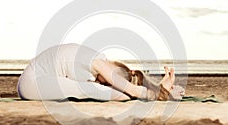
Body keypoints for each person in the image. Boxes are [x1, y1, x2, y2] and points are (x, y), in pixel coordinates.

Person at [17, 43, 185, 101]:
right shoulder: (97, 61)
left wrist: (158, 87)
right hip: (33, 83)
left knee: (100, 91)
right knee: (105, 93)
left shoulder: (96, 62)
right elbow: (129, 92)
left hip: (39, 80)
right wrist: (159, 93)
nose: (100, 81)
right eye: (107, 81)